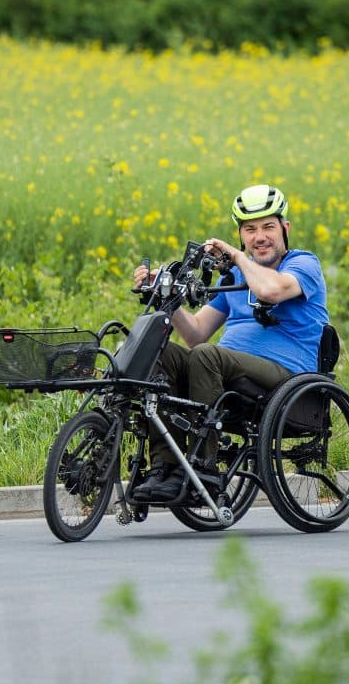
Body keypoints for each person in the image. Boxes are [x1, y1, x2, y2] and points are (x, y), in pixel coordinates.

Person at [132, 184, 329, 501]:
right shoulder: (234, 278)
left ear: (285, 229)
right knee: (161, 352)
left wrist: (237, 257)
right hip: (224, 367)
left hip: (287, 376)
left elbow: (271, 291)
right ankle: (166, 468)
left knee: (206, 356)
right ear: (241, 234)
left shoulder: (303, 263)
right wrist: (165, 295)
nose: (259, 237)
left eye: (268, 227)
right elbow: (196, 333)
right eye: (250, 230)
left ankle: (203, 468)